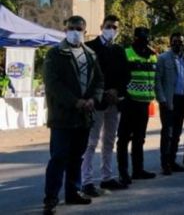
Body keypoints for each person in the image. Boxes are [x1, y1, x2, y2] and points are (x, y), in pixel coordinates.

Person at [42, 16, 104, 215]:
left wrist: (93, 99)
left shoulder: (91, 55)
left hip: (84, 115)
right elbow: (53, 85)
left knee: (77, 157)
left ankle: (73, 191)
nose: (75, 31)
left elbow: (99, 82)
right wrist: (74, 101)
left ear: (85, 31)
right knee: (58, 158)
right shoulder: (55, 53)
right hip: (62, 116)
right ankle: (51, 198)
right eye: (72, 28)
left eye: (79, 28)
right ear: (65, 29)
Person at [81, 15, 131, 197]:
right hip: (97, 102)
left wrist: (117, 91)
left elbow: (126, 74)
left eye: (115, 27)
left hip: (115, 102)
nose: (112, 30)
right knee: (91, 142)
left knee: (109, 141)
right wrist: (101, 94)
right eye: (109, 26)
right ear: (102, 26)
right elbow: (89, 76)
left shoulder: (119, 50)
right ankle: (86, 181)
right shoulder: (91, 48)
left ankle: (107, 177)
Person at [116, 27, 157, 184]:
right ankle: (123, 172)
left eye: (145, 37)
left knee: (140, 139)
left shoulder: (152, 55)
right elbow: (119, 77)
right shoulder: (126, 53)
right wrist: (121, 98)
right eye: (140, 37)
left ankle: (138, 170)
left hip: (144, 103)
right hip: (129, 102)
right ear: (134, 38)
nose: (143, 40)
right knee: (124, 139)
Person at [155, 32, 184, 175]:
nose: (178, 44)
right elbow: (157, 80)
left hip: (182, 99)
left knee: (177, 133)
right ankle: (165, 163)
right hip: (168, 100)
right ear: (171, 42)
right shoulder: (163, 58)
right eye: (176, 41)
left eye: (181, 41)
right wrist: (161, 99)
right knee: (168, 133)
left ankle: (172, 161)